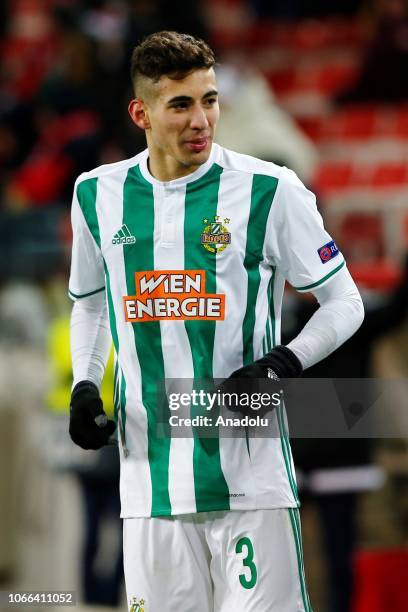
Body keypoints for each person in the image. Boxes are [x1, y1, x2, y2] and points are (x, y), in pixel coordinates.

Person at [68, 31, 364, 612]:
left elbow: (344, 301)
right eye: (180, 104)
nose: (201, 119)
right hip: (148, 483)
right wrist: (85, 383)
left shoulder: (269, 189)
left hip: (250, 479)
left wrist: (284, 362)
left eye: (209, 100)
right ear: (141, 113)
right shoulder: (96, 195)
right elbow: (91, 302)